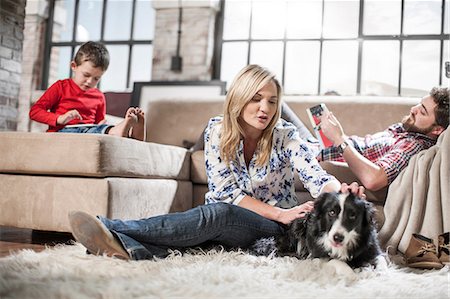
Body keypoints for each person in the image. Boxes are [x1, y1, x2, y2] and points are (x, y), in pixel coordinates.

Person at [68, 64, 364, 261]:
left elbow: (315, 176)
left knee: (218, 214)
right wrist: (277, 212)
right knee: (208, 230)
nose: (265, 108)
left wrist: (339, 196)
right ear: (240, 97)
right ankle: (125, 247)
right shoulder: (216, 130)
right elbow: (227, 191)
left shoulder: (285, 136)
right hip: (237, 221)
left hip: (275, 227)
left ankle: (111, 228)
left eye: (272, 101)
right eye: (256, 98)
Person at [318, 87, 449, 191]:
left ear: (437, 130)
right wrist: (335, 133)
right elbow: (364, 148)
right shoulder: (408, 128)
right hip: (322, 145)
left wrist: (338, 139)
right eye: (419, 104)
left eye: (423, 111)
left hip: (320, 157)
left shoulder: (414, 146)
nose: (414, 109)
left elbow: (372, 179)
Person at [29, 41, 145, 141]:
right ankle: (120, 131)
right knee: (101, 132)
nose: (90, 81)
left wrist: (102, 124)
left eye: (96, 78)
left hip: (90, 133)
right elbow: (35, 112)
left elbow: (99, 122)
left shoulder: (98, 96)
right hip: (63, 132)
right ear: (74, 66)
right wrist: (60, 118)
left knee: (100, 130)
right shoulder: (61, 87)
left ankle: (132, 134)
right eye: (86, 75)